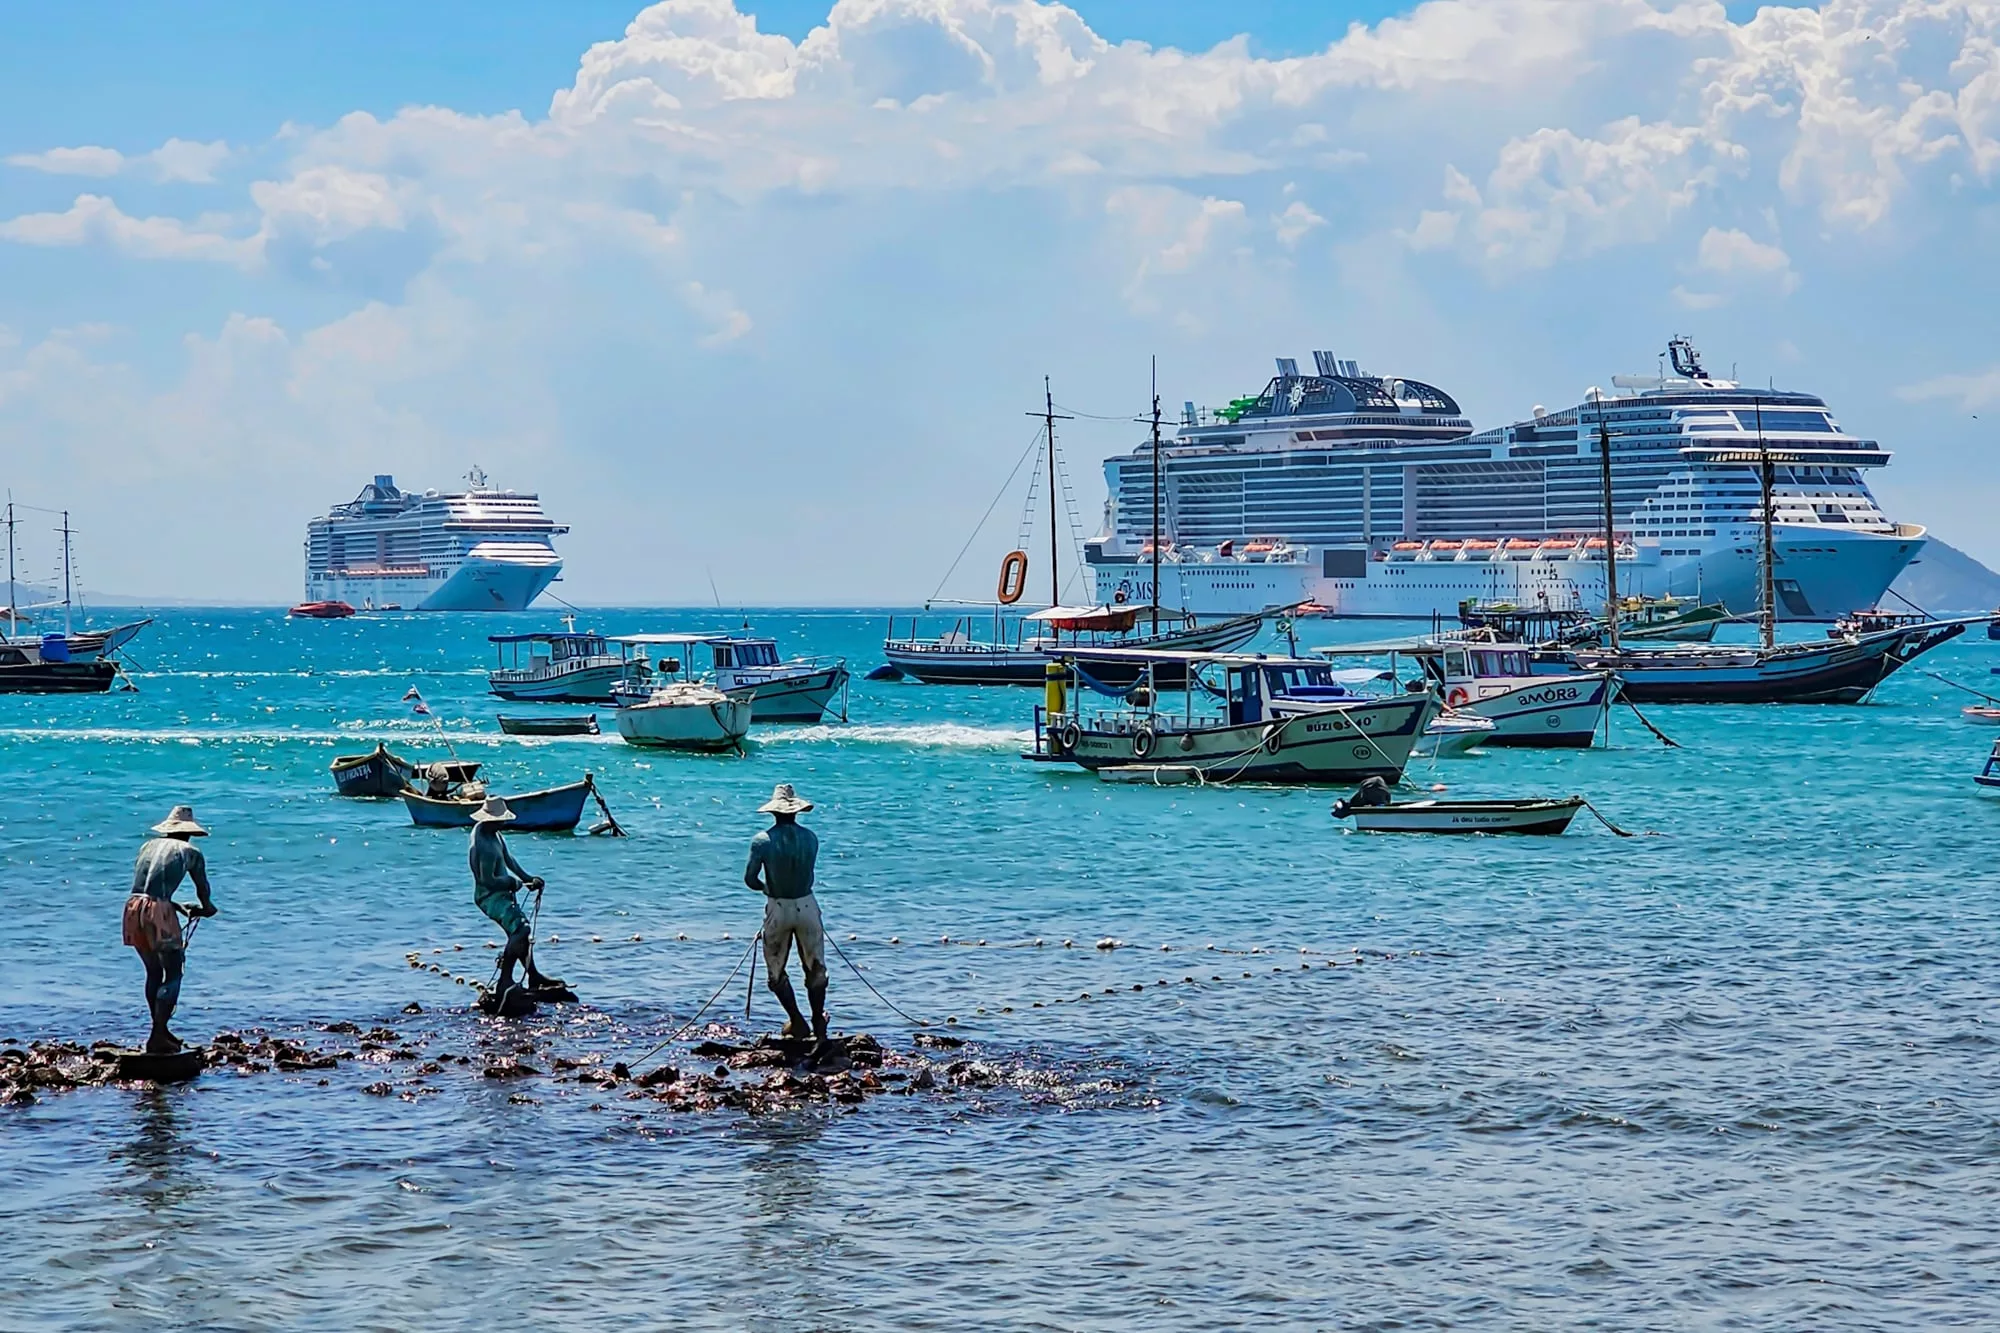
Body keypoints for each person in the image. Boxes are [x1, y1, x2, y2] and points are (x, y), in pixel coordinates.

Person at [121, 805, 217, 1054]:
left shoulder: (147, 847)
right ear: (189, 832)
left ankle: (160, 1031)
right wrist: (206, 907)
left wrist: (174, 905)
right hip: (159, 911)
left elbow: (148, 888)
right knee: (174, 973)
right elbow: (202, 888)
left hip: (133, 907)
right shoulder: (190, 852)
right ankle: (157, 1035)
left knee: (153, 972)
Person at [744, 783, 828, 1045]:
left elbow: (750, 879)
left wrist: (765, 887)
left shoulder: (762, 841)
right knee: (815, 968)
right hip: (807, 905)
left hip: (779, 906)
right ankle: (818, 1023)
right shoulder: (811, 838)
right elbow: (808, 873)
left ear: (774, 811)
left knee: (776, 972)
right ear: (796, 810)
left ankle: (797, 1021)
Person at [468, 795, 555, 1006]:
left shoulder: (494, 834)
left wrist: (527, 878)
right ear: (492, 820)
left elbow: (508, 859)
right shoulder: (483, 846)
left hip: (501, 891)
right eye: (502, 820)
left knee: (519, 935)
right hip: (488, 896)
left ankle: (533, 976)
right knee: (521, 930)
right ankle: (504, 981)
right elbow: (487, 880)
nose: (505, 823)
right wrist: (512, 883)